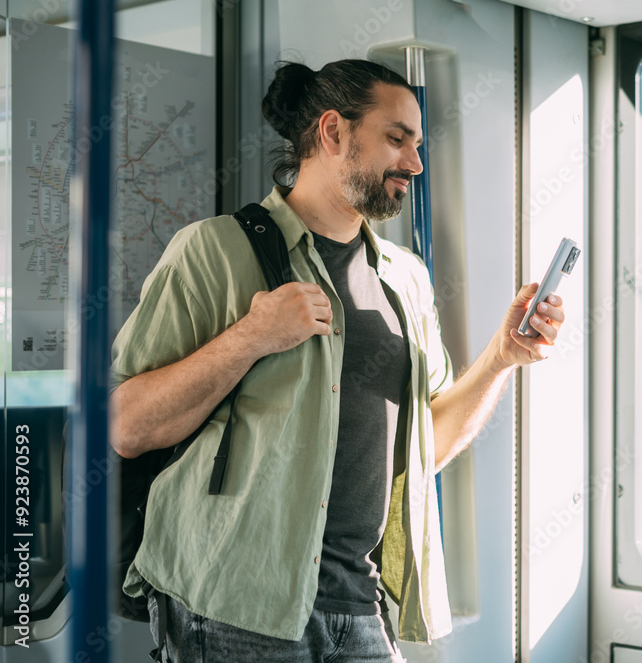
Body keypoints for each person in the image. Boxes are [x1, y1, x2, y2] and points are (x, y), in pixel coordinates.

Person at [109, 59, 565, 662]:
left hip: (360, 606)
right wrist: (252, 336)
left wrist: (501, 358)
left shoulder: (406, 278)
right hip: (232, 609)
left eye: (418, 144)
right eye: (396, 138)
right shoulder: (213, 250)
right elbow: (128, 426)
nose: (415, 163)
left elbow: (424, 446)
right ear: (332, 133)